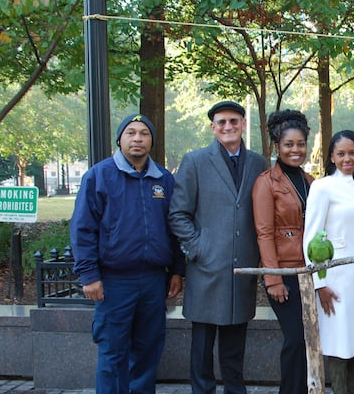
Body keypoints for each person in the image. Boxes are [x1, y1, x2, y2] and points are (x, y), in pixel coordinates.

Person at [70, 114, 185, 394]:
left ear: (151, 141)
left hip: (152, 282)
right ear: (120, 139)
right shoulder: (99, 176)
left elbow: (175, 228)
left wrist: (177, 271)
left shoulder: (164, 179)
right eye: (131, 133)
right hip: (113, 282)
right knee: (113, 353)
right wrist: (89, 275)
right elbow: (83, 228)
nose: (137, 138)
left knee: (147, 351)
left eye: (144, 133)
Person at [169, 101, 267, 394]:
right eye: (222, 122)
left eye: (234, 121)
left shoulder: (258, 163)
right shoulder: (195, 161)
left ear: (242, 124)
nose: (228, 127)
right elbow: (178, 213)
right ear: (213, 127)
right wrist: (199, 246)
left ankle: (235, 390)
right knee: (202, 343)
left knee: (235, 343)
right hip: (206, 267)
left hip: (242, 267)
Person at [303, 130, 354, 394]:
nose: (347, 158)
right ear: (332, 158)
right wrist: (319, 283)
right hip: (335, 278)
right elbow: (311, 240)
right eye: (341, 154)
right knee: (339, 343)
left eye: (352, 153)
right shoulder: (322, 186)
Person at [252, 110, 314, 394]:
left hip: (309, 272)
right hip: (284, 272)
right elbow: (264, 232)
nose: (295, 150)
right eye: (289, 144)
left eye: (300, 144)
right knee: (295, 338)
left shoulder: (311, 180)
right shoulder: (266, 182)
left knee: (308, 338)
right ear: (277, 146)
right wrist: (273, 278)